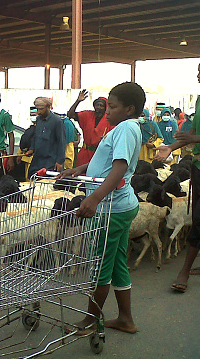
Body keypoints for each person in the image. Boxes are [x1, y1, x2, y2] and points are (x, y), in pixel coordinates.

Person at [59, 81, 145, 335]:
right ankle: (125, 319)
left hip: (111, 208)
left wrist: (94, 198)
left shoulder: (127, 129)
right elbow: (105, 161)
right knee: (116, 262)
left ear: (129, 109)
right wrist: (80, 169)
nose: (107, 110)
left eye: (113, 106)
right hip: (117, 205)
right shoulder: (121, 127)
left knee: (100, 265)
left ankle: (90, 320)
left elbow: (119, 167)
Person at [155, 56, 200, 293]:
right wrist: (171, 148)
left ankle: (184, 271)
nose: (198, 75)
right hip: (199, 168)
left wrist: (194, 139)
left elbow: (195, 136)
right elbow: (195, 133)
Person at [67, 90, 113, 167]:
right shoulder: (87, 115)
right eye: (97, 105)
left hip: (100, 154)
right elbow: (70, 115)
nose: (98, 107)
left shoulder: (109, 119)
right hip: (85, 153)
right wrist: (78, 101)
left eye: (101, 106)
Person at [25, 97, 65, 175]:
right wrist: (31, 149)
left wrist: (60, 161)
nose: (39, 112)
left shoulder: (57, 121)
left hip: (51, 162)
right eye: (37, 109)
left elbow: (61, 142)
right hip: (37, 160)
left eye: (41, 109)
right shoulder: (39, 120)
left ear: (48, 107)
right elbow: (36, 137)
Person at [14, 106, 37, 181]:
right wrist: (19, 155)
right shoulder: (30, 129)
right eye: (31, 115)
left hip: (36, 159)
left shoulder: (43, 128)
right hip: (27, 158)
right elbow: (23, 142)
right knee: (28, 179)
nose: (33, 117)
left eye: (35, 115)